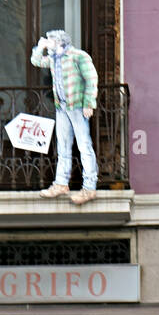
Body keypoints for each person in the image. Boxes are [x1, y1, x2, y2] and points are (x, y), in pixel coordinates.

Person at [31, 28, 99, 205]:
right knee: (63, 146)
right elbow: (36, 61)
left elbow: (91, 78)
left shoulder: (78, 56)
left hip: (77, 106)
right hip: (61, 107)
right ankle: (61, 183)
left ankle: (89, 187)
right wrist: (40, 47)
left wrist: (89, 103)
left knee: (84, 145)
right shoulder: (54, 59)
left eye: (50, 40)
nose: (48, 42)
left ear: (60, 41)